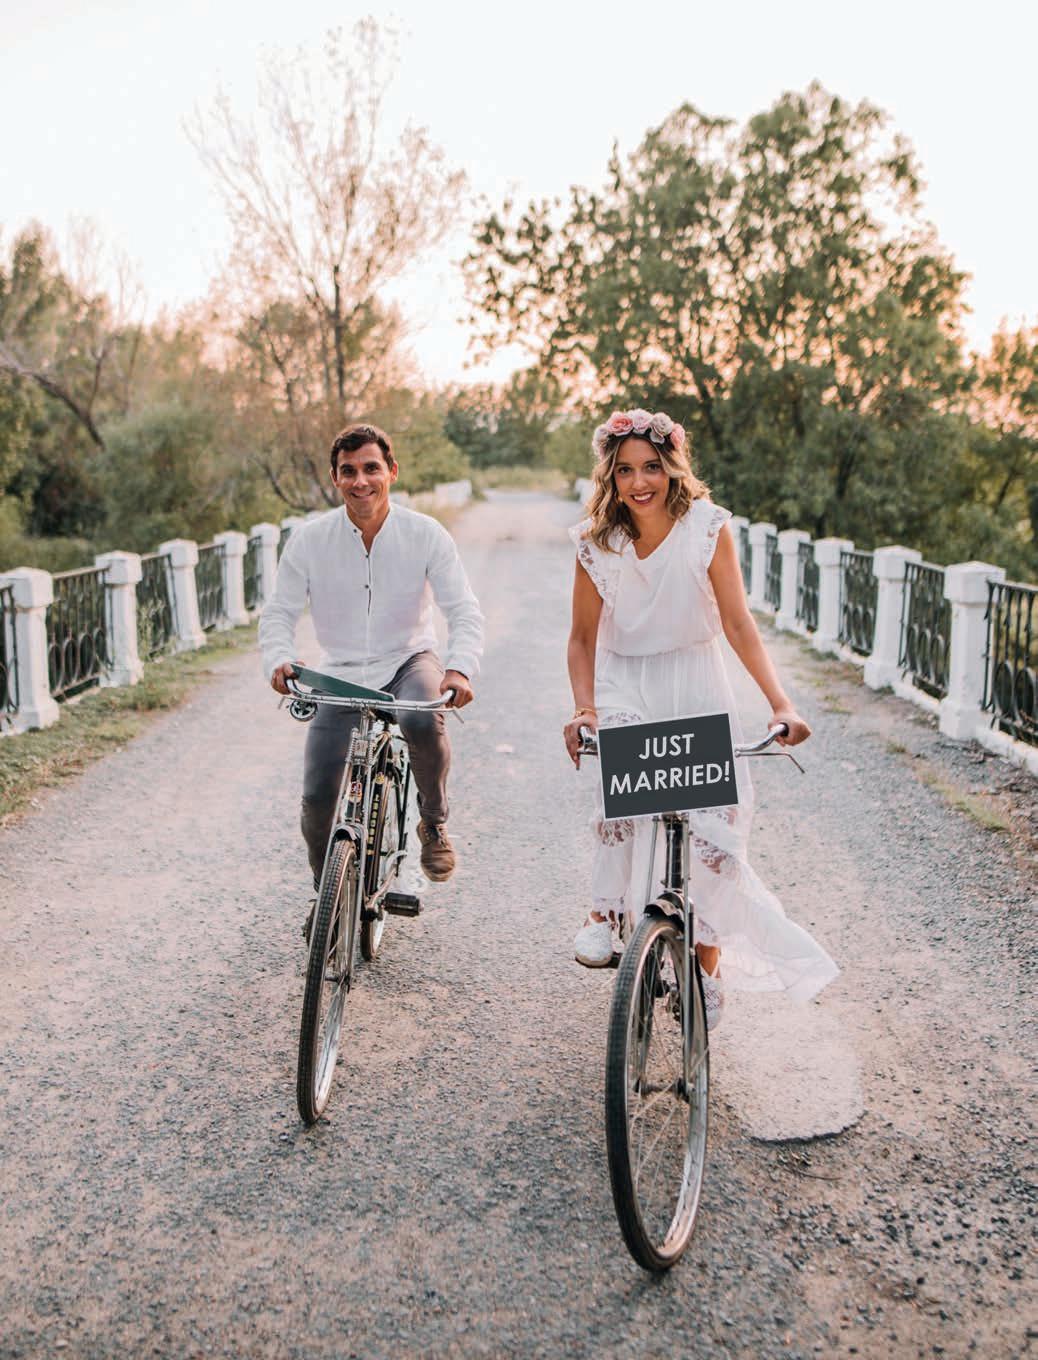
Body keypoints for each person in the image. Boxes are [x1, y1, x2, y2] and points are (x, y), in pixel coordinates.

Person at [563, 408, 838, 1028]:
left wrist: (780, 702)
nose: (639, 482)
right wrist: (584, 709)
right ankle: (604, 911)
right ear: (610, 476)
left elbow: (738, 623)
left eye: (651, 467)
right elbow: (580, 638)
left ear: (672, 468)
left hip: (696, 682)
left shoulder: (708, 528)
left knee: (715, 834)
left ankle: (707, 965)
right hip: (624, 680)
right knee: (626, 788)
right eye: (625, 470)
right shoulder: (593, 543)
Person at [260, 423, 484, 898]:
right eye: (348, 471)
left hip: (408, 659)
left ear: (392, 472)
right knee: (318, 797)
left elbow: (463, 609)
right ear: (335, 478)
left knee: (420, 720)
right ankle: (329, 898)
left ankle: (433, 822)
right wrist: (279, 658)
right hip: (339, 673)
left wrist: (460, 668)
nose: (360, 481)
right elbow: (279, 612)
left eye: (371, 468)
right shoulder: (310, 539)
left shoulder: (425, 534)